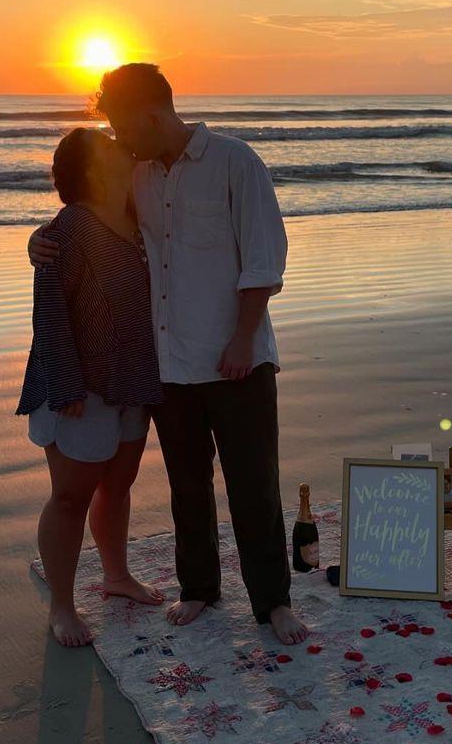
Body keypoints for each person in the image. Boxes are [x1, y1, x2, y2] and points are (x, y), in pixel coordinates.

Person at [29, 63, 307, 646]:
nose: (120, 142)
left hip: (238, 359)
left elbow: (264, 259)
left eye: (123, 128)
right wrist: (40, 242)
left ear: (151, 115)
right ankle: (200, 589)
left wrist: (242, 338)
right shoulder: (141, 176)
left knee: (254, 484)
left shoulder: (237, 163)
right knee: (187, 485)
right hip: (168, 366)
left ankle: (273, 601)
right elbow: (84, 216)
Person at [17, 126, 165, 648]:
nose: (121, 146)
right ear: (91, 169)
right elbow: (49, 313)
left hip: (134, 380)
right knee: (70, 497)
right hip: (78, 388)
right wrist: (66, 384)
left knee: (117, 486)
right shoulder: (72, 227)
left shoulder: (138, 216)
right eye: (108, 145)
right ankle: (62, 605)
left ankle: (117, 577)